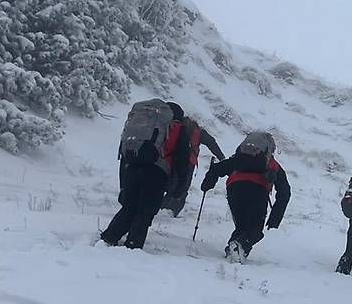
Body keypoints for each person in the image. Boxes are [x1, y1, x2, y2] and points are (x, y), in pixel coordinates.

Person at [101, 99, 201, 250]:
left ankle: (109, 238)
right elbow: (182, 158)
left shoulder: (146, 126)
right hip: (156, 173)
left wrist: (123, 183)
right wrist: (180, 186)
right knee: (145, 211)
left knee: (129, 207)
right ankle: (133, 246)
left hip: (132, 167)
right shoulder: (177, 128)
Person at [199, 130, 291, 262]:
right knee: (255, 230)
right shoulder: (271, 164)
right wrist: (275, 217)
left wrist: (207, 185)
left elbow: (217, 169)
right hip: (258, 192)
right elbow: (285, 191)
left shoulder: (239, 158)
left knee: (242, 227)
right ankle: (239, 248)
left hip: (234, 190)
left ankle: (232, 250)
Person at [161, 115, 226, 217]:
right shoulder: (199, 132)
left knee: (170, 184)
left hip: (171, 159)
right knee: (183, 187)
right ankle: (172, 211)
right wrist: (221, 157)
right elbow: (211, 143)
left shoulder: (176, 127)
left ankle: (161, 208)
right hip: (188, 162)